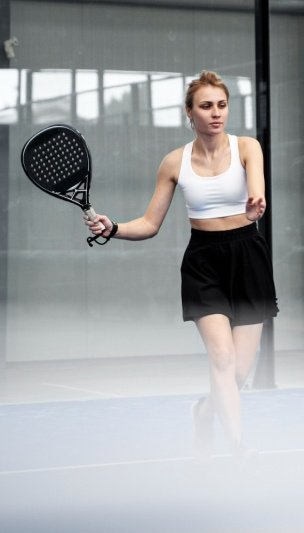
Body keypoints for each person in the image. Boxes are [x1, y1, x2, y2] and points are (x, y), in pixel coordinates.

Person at [85, 70, 278, 460]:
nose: (216, 113)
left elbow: (256, 187)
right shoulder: (175, 162)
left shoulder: (247, 148)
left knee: (238, 373)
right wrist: (114, 228)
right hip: (203, 263)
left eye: (222, 105)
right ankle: (238, 447)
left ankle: (204, 411)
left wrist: (256, 201)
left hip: (248, 257)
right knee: (221, 358)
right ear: (189, 113)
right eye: (206, 106)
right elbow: (150, 224)